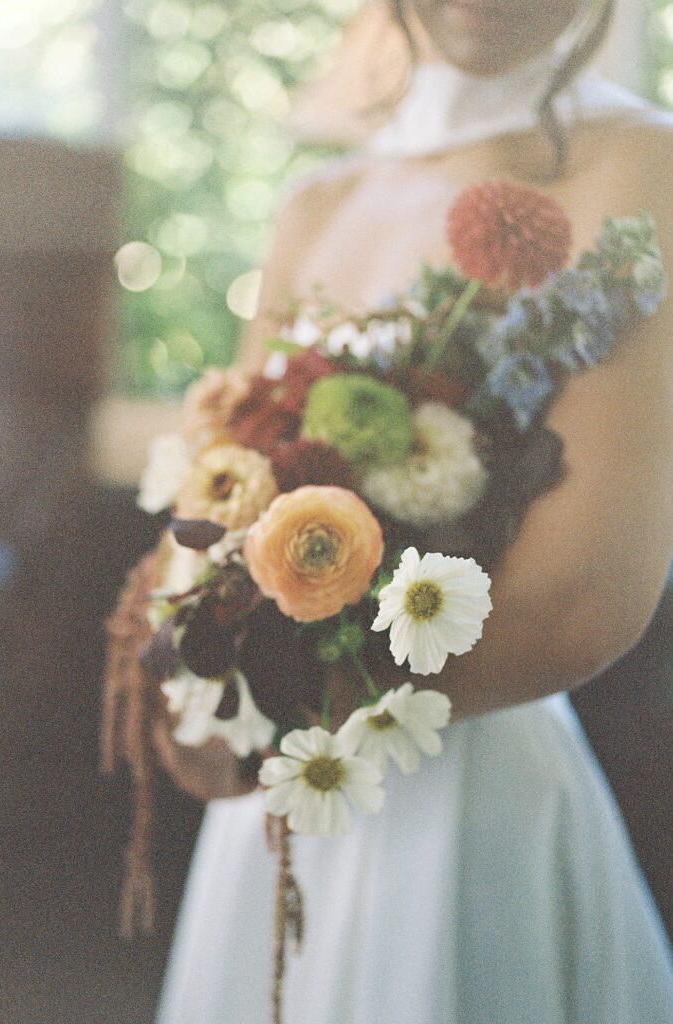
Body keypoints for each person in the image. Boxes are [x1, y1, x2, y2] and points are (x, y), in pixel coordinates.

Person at [152, 1, 673, 1020]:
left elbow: (587, 597)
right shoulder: (314, 202)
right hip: (287, 797)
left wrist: (275, 707)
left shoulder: (644, 166)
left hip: (468, 810)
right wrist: (196, 675)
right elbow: (224, 492)